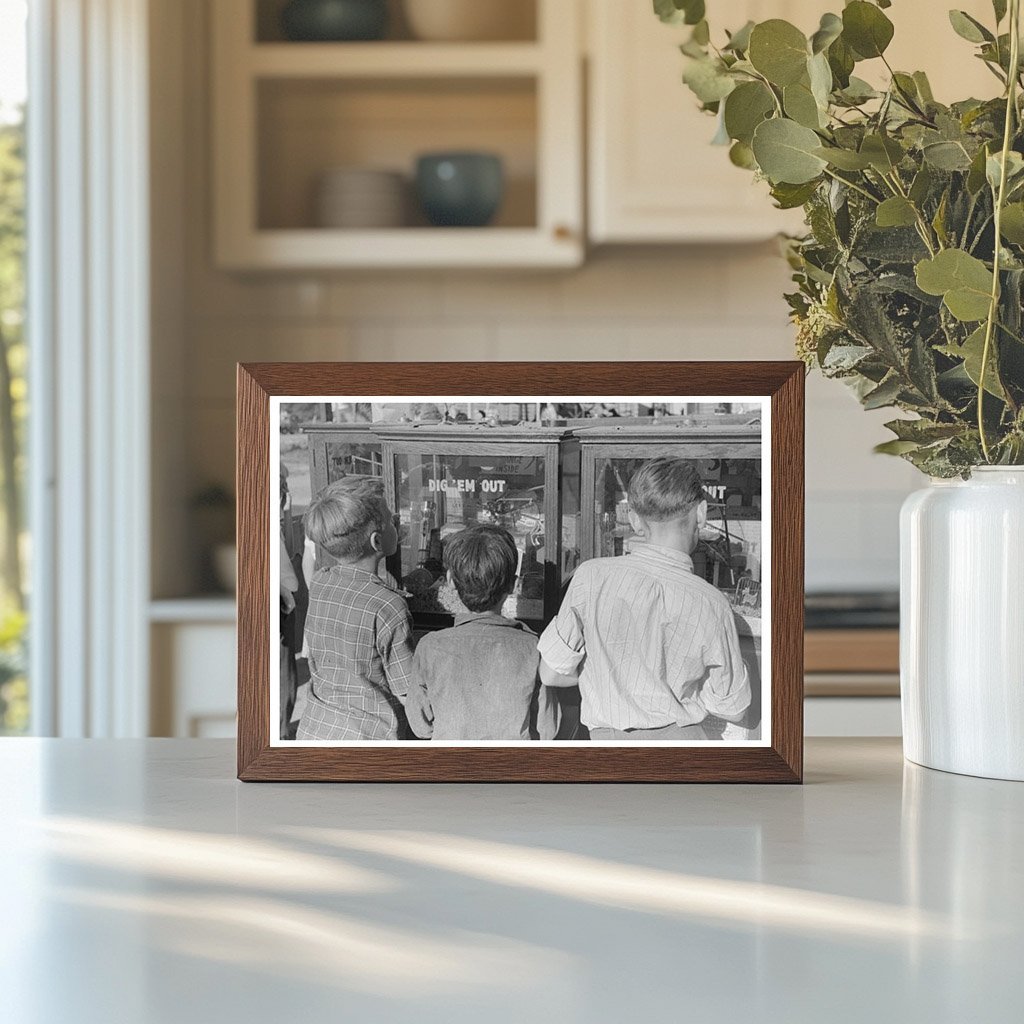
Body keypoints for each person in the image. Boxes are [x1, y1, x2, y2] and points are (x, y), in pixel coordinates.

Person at [537, 457, 750, 740]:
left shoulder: (589, 576)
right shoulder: (712, 603)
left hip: (607, 748)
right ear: (701, 513)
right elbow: (734, 708)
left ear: (635, 520)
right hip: (684, 752)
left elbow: (551, 674)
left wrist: (605, 676)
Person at [405, 525, 559, 741]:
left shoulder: (429, 646)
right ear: (514, 586)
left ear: (449, 581)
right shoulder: (533, 647)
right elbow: (547, 728)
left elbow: (420, 726)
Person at [296, 476, 414, 741]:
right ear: (376, 541)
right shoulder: (389, 606)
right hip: (368, 742)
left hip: (315, 731)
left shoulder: (320, 582)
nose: (396, 521)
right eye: (390, 519)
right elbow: (407, 693)